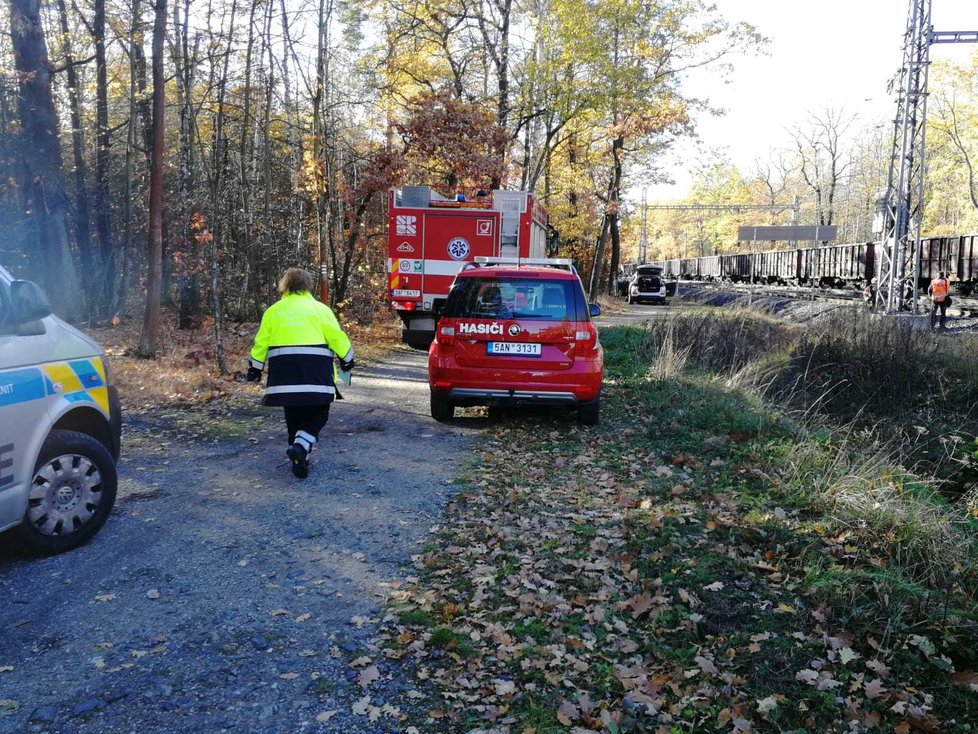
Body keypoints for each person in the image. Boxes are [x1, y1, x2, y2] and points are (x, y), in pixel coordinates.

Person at [246, 268, 354, 478]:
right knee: (319, 413)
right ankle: (301, 448)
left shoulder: (273, 311)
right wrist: (347, 360)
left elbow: (261, 343)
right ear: (308, 285)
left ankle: (298, 457)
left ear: (285, 285)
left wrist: (254, 369)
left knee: (293, 414)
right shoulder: (320, 310)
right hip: (314, 373)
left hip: (284, 375)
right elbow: (336, 337)